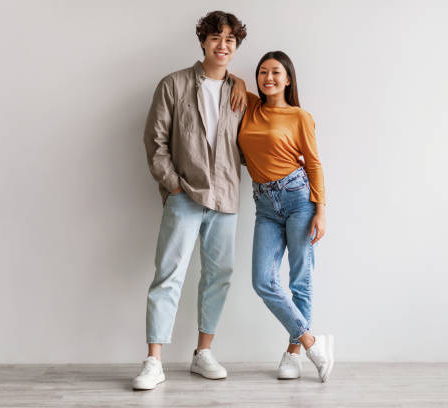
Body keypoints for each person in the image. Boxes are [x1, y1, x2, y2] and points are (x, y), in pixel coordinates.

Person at [133, 11, 248, 391]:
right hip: (185, 195)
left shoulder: (240, 93)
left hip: (226, 197)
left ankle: (203, 353)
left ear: (236, 46)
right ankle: (154, 361)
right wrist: (174, 185)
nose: (223, 45)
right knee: (168, 275)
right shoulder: (174, 84)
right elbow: (156, 142)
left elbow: (250, 144)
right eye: (216, 37)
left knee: (218, 277)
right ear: (203, 41)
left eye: (230, 39)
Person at [237, 51, 334, 382]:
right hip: (264, 203)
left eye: (276, 72)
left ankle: (293, 354)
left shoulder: (299, 116)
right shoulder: (250, 106)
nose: (268, 78)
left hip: (298, 199)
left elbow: (314, 163)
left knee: (300, 279)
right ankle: (309, 341)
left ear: (288, 79)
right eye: (262, 72)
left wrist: (320, 209)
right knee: (262, 281)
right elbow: (228, 81)